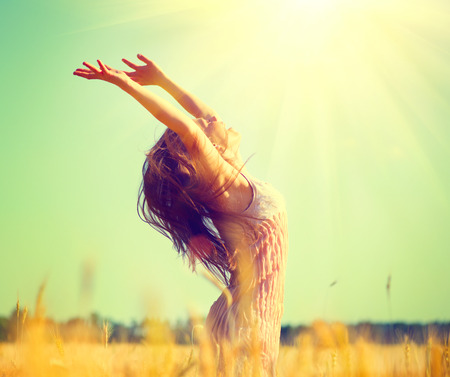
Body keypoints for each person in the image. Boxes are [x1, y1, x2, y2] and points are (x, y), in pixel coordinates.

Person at [73, 55, 288, 376]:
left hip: (248, 320)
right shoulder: (224, 185)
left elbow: (206, 114)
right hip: (247, 326)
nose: (210, 120)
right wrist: (125, 84)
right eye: (203, 129)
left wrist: (162, 80)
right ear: (202, 153)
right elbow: (188, 126)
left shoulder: (232, 172)